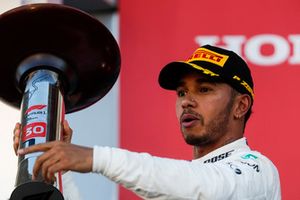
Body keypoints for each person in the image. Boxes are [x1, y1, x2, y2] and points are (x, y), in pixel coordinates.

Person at [14, 45, 281, 199]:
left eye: (204, 89)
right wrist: (58, 167)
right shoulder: (176, 186)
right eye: (181, 92)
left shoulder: (258, 171)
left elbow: (202, 187)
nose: (186, 101)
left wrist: (95, 158)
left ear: (240, 106)